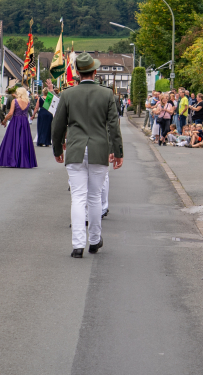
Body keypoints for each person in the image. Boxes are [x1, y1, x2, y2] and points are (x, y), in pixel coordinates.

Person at [52, 52, 123, 258]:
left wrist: (57, 149)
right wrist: (117, 152)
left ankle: (77, 245)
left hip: (75, 149)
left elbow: (58, 125)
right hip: (99, 149)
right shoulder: (107, 94)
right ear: (95, 71)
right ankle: (94, 240)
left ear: (77, 73)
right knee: (94, 197)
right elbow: (114, 126)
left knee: (78, 197)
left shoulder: (67, 94)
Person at [0, 84, 37, 168]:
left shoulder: (15, 101)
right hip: (24, 122)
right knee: (24, 140)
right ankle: (23, 161)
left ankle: (12, 160)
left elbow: (10, 113)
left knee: (12, 140)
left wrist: (4, 120)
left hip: (15, 121)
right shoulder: (28, 102)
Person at [36, 80, 55, 147]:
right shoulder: (49, 98)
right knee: (48, 127)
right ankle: (47, 142)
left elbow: (36, 107)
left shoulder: (40, 98)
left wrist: (33, 115)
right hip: (49, 113)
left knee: (41, 127)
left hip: (42, 113)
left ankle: (41, 141)